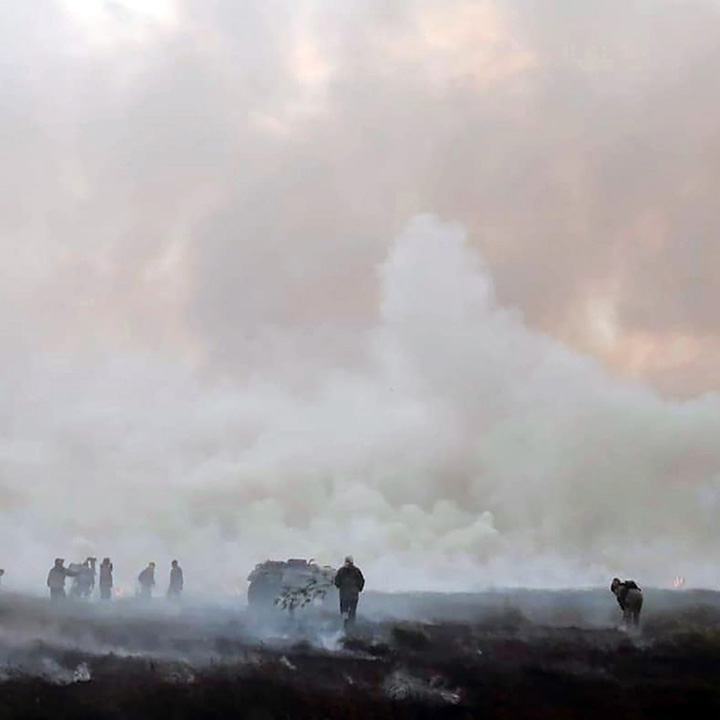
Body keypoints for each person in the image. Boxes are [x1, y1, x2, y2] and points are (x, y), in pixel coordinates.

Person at [333, 556, 365, 628]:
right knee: (352, 612)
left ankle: (346, 624)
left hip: (344, 595)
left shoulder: (341, 571)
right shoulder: (357, 571)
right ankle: (351, 625)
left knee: (344, 611)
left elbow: (337, 582)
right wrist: (359, 589)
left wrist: (339, 586)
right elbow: (362, 581)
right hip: (353, 596)